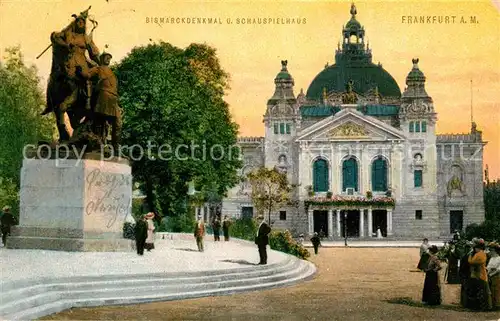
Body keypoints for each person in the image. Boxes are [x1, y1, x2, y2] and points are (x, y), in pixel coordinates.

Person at [77, 51, 122, 148]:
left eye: (109, 58)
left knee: (118, 123)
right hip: (103, 97)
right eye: (106, 57)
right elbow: (87, 75)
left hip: (113, 100)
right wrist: (80, 69)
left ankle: (116, 146)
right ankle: (98, 143)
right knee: (100, 121)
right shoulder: (98, 68)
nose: (108, 59)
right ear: (101, 59)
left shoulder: (112, 73)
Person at [468, 239, 492, 311]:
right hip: (478, 274)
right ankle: (481, 306)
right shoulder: (478, 254)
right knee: (480, 291)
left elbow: (472, 261)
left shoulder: (481, 254)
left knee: (482, 292)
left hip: (480, 275)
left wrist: (471, 259)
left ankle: (483, 307)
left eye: (475, 248)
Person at [487, 242, 500, 310]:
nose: (490, 252)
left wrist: (492, 273)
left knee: (497, 290)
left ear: (495, 251)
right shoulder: (491, 259)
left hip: (497, 276)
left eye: (491, 250)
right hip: (490, 276)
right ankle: (493, 305)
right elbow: (488, 267)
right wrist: (488, 273)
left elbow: (498, 269)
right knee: (491, 290)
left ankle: (497, 305)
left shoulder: (499, 258)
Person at [459, 242, 473, 308]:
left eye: (467, 248)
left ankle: (466, 304)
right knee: (464, 288)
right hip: (464, 273)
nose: (466, 249)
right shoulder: (466, 254)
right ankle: (463, 302)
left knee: (466, 288)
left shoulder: (470, 255)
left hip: (467, 273)